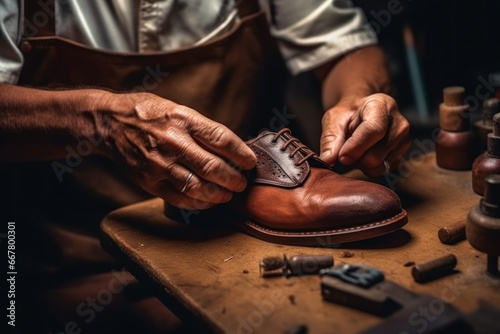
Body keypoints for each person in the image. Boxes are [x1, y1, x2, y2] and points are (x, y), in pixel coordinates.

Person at [0, 0, 410, 333]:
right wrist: (101, 121)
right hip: (71, 255)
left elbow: (345, 46)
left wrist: (360, 97)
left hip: (228, 232)